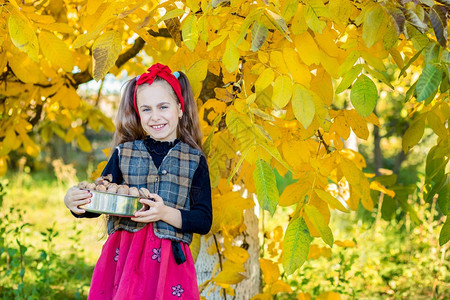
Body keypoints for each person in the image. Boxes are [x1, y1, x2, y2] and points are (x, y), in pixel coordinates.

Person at [64, 63, 212, 299]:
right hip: (124, 256)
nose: (155, 116)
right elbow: (102, 200)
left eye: (163, 107)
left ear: (180, 109)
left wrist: (164, 213)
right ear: (138, 113)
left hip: (169, 264)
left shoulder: (194, 160)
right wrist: (78, 204)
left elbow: (203, 220)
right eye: (146, 109)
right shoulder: (124, 153)